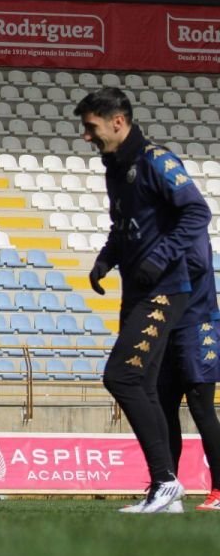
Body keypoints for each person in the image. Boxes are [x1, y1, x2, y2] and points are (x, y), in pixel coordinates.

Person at [76, 87, 211, 514]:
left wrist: (161, 258)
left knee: (122, 377)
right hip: (136, 289)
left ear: (118, 121)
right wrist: (104, 261)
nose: (86, 137)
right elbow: (123, 226)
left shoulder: (158, 160)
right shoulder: (115, 168)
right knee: (145, 384)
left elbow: (197, 212)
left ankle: (166, 482)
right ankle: (164, 489)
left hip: (165, 289)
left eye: (91, 127)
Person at [156, 233, 220, 511]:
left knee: (201, 408)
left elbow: (197, 263)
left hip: (198, 324)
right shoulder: (157, 225)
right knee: (163, 407)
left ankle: (218, 490)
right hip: (168, 327)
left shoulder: (188, 221)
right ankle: (167, 489)